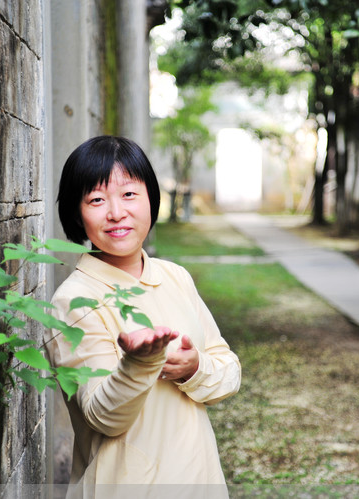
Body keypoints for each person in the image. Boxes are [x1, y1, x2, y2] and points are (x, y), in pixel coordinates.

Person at [45, 135, 241, 498]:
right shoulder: (73, 301)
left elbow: (228, 372)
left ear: (152, 198)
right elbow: (104, 417)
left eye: (129, 194)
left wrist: (194, 367)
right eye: (97, 200)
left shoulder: (174, 277)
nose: (116, 212)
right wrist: (139, 364)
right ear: (77, 214)